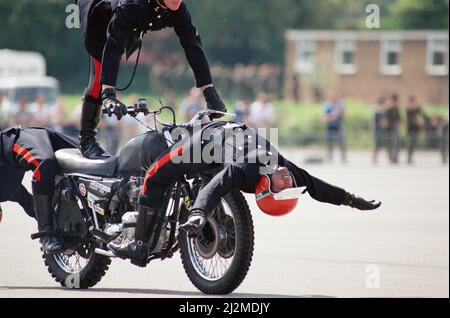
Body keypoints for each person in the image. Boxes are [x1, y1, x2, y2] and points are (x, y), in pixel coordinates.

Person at [108, 120, 381, 266]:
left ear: (266, 188)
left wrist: (199, 213)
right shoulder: (282, 169)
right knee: (154, 176)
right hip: (219, 127)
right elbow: (316, 187)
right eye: (290, 187)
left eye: (284, 189)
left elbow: (216, 186)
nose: (289, 182)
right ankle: (140, 239)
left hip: (200, 146)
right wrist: (351, 200)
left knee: (153, 177)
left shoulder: (249, 169)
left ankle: (139, 244)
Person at [76, 0, 226, 159]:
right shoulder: (130, 6)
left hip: (130, 19)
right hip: (100, 17)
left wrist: (210, 93)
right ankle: (86, 140)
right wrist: (108, 95)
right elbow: (114, 46)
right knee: (98, 74)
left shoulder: (178, 9)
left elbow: (192, 45)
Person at [0, 126, 79, 253]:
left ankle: (45, 235)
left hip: (15, 139)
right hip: (39, 138)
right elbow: (30, 204)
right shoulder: (5, 193)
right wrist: (56, 225)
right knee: (96, 160)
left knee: (44, 163)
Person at [323, 91, 346, 163]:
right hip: (330, 126)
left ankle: (343, 156)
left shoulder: (340, 104)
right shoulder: (327, 104)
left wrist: (335, 114)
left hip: (338, 125)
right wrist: (333, 115)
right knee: (329, 142)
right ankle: (330, 156)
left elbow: (343, 114)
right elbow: (325, 117)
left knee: (341, 140)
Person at [405, 96, 425, 165]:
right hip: (410, 130)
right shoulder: (408, 110)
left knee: (414, 144)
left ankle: (411, 157)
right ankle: (409, 158)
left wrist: (421, 121)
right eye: (413, 102)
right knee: (410, 144)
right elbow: (409, 120)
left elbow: (424, 116)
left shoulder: (418, 109)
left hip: (416, 130)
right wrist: (416, 121)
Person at [385, 94, 402, 164]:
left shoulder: (397, 109)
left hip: (395, 129)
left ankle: (395, 157)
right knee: (391, 144)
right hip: (390, 129)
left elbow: (399, 119)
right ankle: (392, 157)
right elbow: (386, 120)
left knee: (397, 143)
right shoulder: (388, 110)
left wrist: (399, 123)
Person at [372, 97, 387, 164]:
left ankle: (375, 157)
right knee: (377, 145)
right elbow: (378, 122)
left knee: (380, 145)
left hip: (381, 130)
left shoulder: (383, 112)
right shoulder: (377, 112)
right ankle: (374, 158)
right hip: (377, 130)